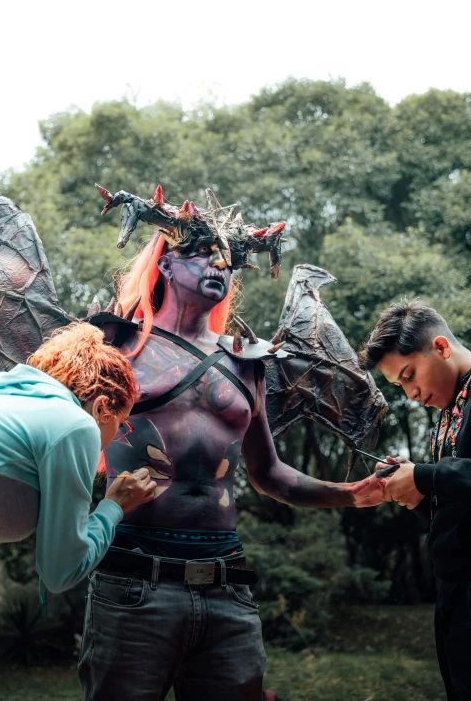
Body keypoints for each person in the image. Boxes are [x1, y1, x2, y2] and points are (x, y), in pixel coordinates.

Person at [78, 185, 384, 701]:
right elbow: (64, 443)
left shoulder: (248, 362)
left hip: (227, 586)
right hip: (133, 581)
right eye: (201, 252)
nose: (218, 263)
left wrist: (352, 492)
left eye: (229, 258)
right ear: (166, 264)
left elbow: (271, 475)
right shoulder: (114, 346)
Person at [0, 322, 156, 611]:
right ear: (101, 407)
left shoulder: (9, 406)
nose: (115, 438)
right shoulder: (76, 424)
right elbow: (61, 571)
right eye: (121, 425)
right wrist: (114, 506)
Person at [359, 300, 471, 701]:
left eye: (410, 376)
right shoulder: (448, 411)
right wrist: (412, 490)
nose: (412, 393)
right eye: (400, 386)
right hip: (454, 596)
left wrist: (424, 475)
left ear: (441, 346)